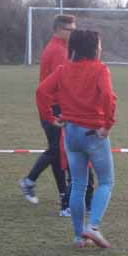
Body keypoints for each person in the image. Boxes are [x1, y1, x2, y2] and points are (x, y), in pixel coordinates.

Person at [36, 30, 117, 249]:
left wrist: (50, 117)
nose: (101, 48)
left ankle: (78, 236)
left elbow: (42, 91)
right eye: (99, 45)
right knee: (106, 181)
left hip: (70, 133)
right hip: (93, 132)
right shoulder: (100, 69)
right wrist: (108, 125)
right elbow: (109, 96)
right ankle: (93, 227)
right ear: (92, 48)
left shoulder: (63, 70)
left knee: (78, 184)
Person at [19, 14, 76, 210]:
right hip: (55, 107)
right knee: (56, 151)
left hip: (52, 106)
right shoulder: (58, 51)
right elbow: (61, 84)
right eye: (71, 30)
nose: (74, 33)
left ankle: (61, 195)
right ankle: (29, 181)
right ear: (60, 30)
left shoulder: (59, 47)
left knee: (57, 151)